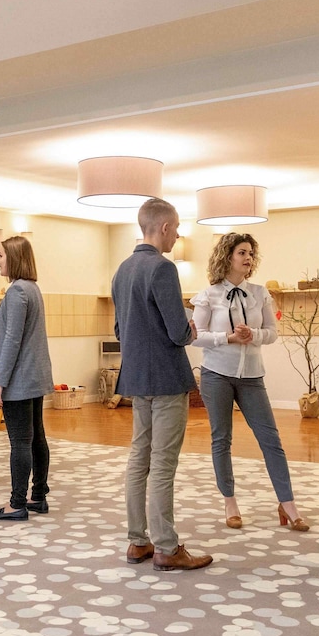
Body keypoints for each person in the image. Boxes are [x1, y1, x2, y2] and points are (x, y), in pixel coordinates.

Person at [111, 198, 213, 572]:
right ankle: (167, 547)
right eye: (177, 228)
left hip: (136, 377)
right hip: (167, 378)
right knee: (163, 463)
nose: (177, 235)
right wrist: (190, 329)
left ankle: (138, 541)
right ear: (165, 227)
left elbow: (119, 329)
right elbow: (177, 332)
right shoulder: (163, 268)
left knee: (140, 457)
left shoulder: (122, 269)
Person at [191, 233, 309, 532]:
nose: (248, 258)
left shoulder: (259, 293)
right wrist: (228, 338)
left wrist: (252, 335)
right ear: (227, 256)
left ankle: (288, 504)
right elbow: (195, 336)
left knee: (271, 440)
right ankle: (230, 503)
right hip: (216, 374)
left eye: (251, 253)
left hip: (252, 376)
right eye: (242, 252)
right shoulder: (208, 295)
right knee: (222, 439)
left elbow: (272, 332)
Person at [0, 236, 54, 521]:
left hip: (19, 380)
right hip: (34, 377)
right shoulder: (32, 288)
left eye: (1, 255)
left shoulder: (17, 291)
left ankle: (17, 503)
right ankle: (37, 496)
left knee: (21, 441)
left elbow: (12, 340)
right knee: (36, 437)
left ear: (14, 257)